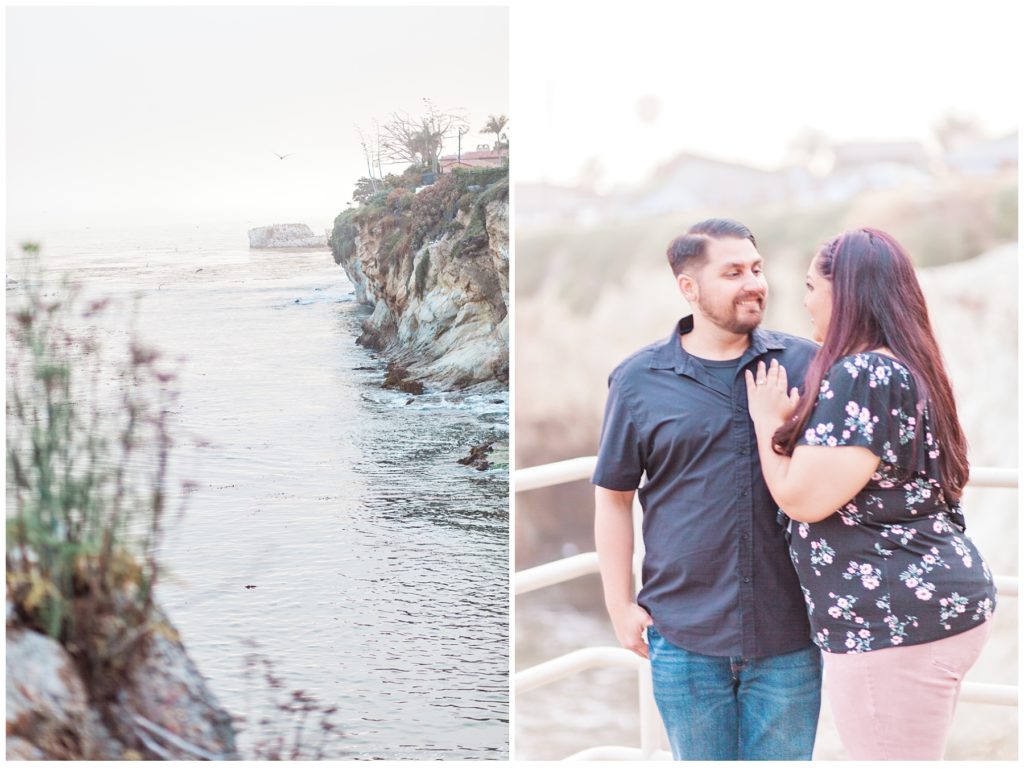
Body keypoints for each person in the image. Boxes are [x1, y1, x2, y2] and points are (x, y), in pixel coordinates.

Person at [745, 227, 997, 760]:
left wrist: (767, 424)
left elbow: (802, 500)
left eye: (812, 286)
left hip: (889, 622)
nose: (805, 300)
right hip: (927, 607)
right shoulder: (904, 365)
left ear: (846, 292)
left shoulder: (861, 374)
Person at [592, 218, 822, 760]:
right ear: (689, 288)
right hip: (684, 635)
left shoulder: (805, 364)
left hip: (789, 632)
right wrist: (618, 605)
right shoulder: (637, 380)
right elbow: (613, 495)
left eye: (758, 269)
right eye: (734, 272)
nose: (754, 283)